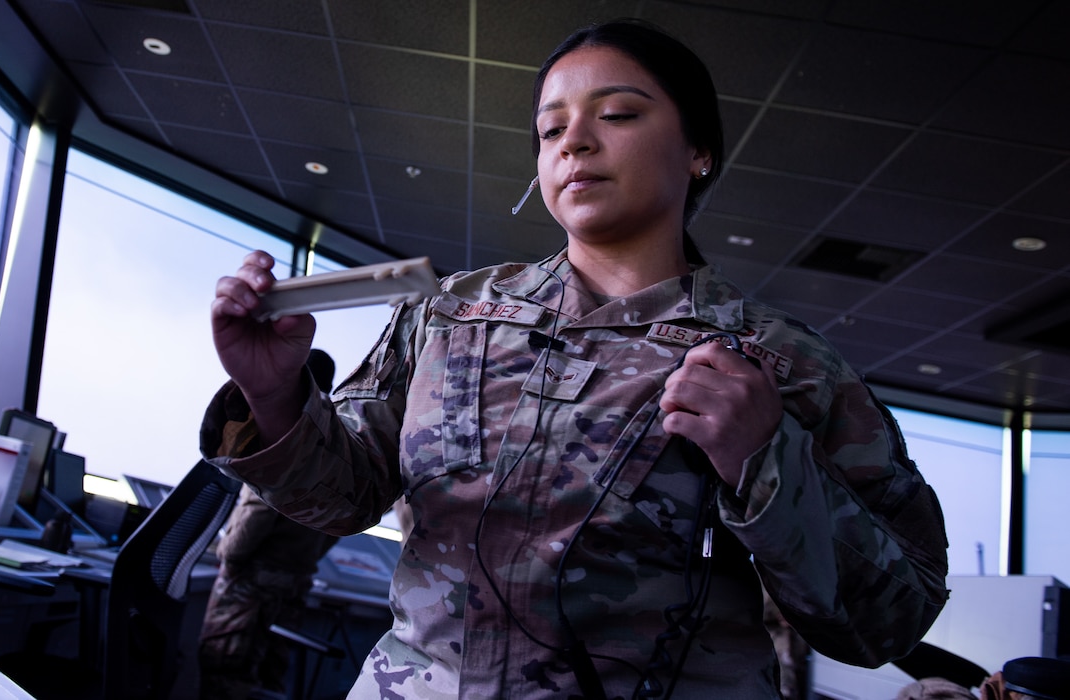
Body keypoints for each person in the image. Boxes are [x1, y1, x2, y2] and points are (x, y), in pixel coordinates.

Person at [204, 18, 949, 699]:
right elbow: (340, 499)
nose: (575, 142)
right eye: (550, 127)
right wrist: (272, 399)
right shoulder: (448, 313)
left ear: (698, 151)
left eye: (618, 114)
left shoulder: (781, 363)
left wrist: (765, 458)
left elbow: (890, 621)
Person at [197, 349, 340, 700]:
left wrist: (228, 557)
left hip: (252, 584)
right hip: (294, 582)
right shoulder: (333, 440)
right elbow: (338, 521)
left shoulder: (284, 434)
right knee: (268, 683)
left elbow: (254, 517)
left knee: (224, 675)